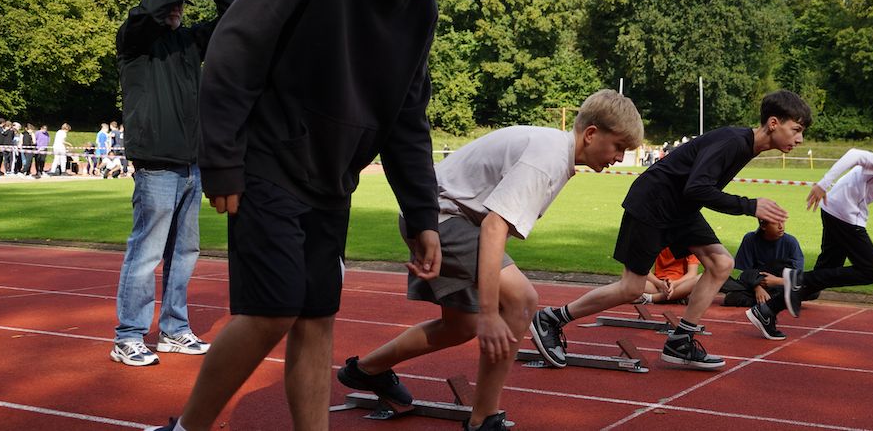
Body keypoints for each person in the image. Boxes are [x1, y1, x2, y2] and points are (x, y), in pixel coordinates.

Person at [149, 0, 493, 431]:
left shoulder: (421, 15)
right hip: (266, 160)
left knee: (316, 317)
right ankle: (188, 428)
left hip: (332, 182)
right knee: (273, 310)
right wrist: (222, 160)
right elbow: (237, 47)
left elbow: (408, 119)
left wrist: (424, 216)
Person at [339, 90, 642, 431]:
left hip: (436, 216)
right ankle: (483, 419)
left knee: (459, 326)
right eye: (618, 146)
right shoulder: (548, 158)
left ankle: (366, 369)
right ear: (591, 134)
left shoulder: (554, 151)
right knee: (522, 300)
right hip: (440, 219)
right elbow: (494, 227)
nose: (619, 157)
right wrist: (489, 311)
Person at [530, 90, 811, 370]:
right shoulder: (733, 142)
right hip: (653, 203)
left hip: (681, 208)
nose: (799, 139)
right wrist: (749, 205)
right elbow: (698, 187)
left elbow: (695, 188)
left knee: (721, 263)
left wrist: (747, 206)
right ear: (774, 123)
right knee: (631, 288)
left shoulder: (746, 145)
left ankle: (681, 340)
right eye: (796, 129)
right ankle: (552, 318)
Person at [110, 0, 234, 367]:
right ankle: (128, 335)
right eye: (171, 3)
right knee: (146, 251)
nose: (177, 9)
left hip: (190, 163)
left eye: (181, 4)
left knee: (184, 253)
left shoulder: (188, 44)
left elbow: (236, 18)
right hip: (157, 164)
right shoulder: (134, 40)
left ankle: (174, 329)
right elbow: (153, 7)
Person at [746, 119, 873, 341]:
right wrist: (824, 184)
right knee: (871, 271)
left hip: (837, 210)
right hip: (844, 212)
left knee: (818, 280)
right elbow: (855, 155)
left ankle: (766, 311)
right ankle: (793, 280)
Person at [720, 219, 805, 309]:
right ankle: (777, 300)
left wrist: (776, 281)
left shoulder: (791, 242)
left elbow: (797, 276)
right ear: (763, 226)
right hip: (754, 282)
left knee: (812, 289)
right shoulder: (750, 239)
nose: (781, 226)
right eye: (775, 223)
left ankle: (767, 299)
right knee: (721, 281)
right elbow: (745, 273)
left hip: (781, 284)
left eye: (782, 222)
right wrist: (757, 287)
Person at [634, 249, 700, 305]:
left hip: (680, 285)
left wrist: (674, 284)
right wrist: (660, 283)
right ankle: (676, 297)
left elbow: (692, 274)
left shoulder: (689, 243)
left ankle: (650, 298)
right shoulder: (657, 242)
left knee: (700, 278)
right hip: (659, 285)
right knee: (632, 279)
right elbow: (645, 270)